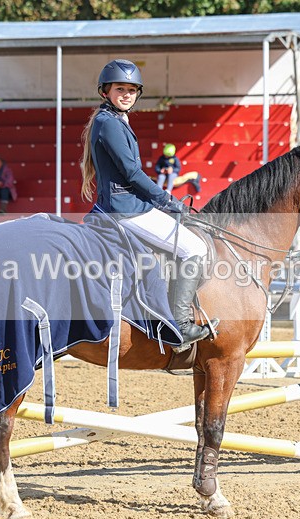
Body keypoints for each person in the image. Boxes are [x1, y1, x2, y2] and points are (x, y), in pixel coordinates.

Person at [79, 59, 218, 353]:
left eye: (132, 90)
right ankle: (180, 325)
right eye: (121, 89)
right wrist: (167, 200)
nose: (127, 95)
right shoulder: (109, 123)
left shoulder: (111, 120)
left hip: (125, 204)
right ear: (105, 91)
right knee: (196, 248)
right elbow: (131, 174)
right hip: (126, 209)